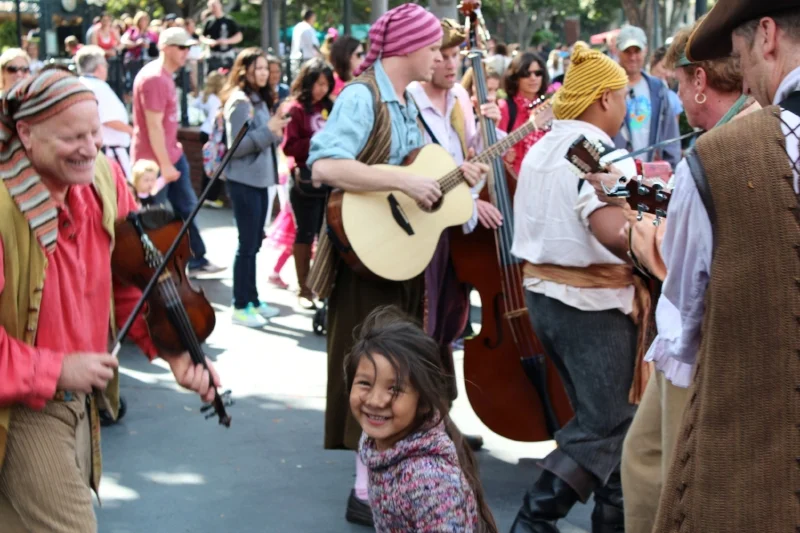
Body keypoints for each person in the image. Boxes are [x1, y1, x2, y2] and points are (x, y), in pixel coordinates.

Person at [0, 69, 220, 533]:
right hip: (21, 410)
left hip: (78, 399)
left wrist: (172, 351)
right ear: (25, 132)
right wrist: (57, 369)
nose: (90, 147)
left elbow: (129, 278)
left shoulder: (101, 176)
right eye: (72, 137)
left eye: (95, 133)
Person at [305, 3, 487, 526]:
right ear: (407, 47)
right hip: (366, 257)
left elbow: (418, 178)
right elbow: (324, 165)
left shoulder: (405, 100)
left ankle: (384, 476)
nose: (439, 55)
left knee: (396, 369)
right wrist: (403, 181)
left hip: (398, 258)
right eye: (433, 46)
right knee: (374, 368)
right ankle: (366, 487)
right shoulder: (362, 95)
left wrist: (453, 178)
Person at [581, 18, 760, 533]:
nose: (675, 97)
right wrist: (632, 193)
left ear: (699, 80)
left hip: (702, 342)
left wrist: (630, 219)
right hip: (701, 339)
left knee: (659, 472)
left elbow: (675, 258)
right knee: (645, 458)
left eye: (677, 83)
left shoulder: (722, 148)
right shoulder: (737, 133)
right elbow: (690, 209)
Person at [630, 2, 800, 531]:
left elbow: (683, 322)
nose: (746, 77)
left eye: (741, 54)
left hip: (758, 458)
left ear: (767, 36)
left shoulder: (723, 158)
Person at [508, 43, 642, 533]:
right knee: (604, 425)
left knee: (618, 428)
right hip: (590, 306)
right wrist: (654, 232)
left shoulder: (545, 145)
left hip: (546, 301)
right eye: (624, 96)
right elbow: (612, 230)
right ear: (604, 98)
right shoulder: (592, 149)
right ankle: (531, 523)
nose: (626, 107)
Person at [406, 18, 504, 451]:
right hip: (419, 227)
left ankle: (440, 419)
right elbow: (412, 167)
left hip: (454, 229)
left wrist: (488, 127)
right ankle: (417, 423)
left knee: (449, 325)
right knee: (422, 326)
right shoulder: (410, 99)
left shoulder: (463, 97)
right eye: (442, 55)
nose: (449, 64)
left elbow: (474, 160)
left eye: (454, 56)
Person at [345, 306, 498, 532]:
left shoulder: (430, 481)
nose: (376, 401)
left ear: (424, 401)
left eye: (394, 389)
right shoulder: (377, 443)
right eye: (365, 383)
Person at [131, 27, 224, 276]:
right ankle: (155, 270)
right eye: (182, 47)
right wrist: (165, 164)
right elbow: (152, 126)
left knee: (186, 208)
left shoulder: (162, 76)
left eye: (188, 47)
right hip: (156, 162)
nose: (186, 52)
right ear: (166, 48)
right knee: (157, 217)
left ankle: (196, 259)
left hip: (170, 155)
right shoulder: (154, 78)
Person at [221, 47, 288, 327]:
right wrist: (269, 130)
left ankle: (252, 299)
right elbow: (235, 147)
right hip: (244, 181)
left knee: (254, 244)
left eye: (265, 68)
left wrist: (275, 129)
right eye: (257, 68)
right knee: (246, 245)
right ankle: (240, 305)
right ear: (244, 70)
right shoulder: (239, 102)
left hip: (260, 180)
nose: (264, 73)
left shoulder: (259, 99)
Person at [282, 58, 335, 309]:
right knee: (305, 233)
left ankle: (323, 285)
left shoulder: (331, 108)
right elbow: (289, 145)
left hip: (330, 179)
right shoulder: (296, 110)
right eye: (318, 83)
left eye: (326, 84)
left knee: (328, 234)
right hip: (305, 181)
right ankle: (304, 288)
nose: (322, 89)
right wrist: (317, 140)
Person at [612, 25, 682, 167]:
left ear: (645, 50)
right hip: (618, 172)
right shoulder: (609, 89)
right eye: (627, 51)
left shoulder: (657, 88)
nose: (633, 57)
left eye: (637, 51)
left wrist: (671, 166)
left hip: (651, 174)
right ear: (617, 52)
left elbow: (670, 132)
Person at [76, 45, 134, 181]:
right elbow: (110, 119)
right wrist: (134, 132)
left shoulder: (79, 84)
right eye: (105, 65)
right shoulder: (98, 87)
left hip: (96, 152)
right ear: (99, 67)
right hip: (110, 154)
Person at [498, 51, 550, 174]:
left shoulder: (548, 107)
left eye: (538, 73)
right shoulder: (505, 107)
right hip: (516, 181)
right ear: (515, 78)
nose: (533, 78)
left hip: (545, 178)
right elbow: (496, 149)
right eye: (526, 74)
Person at [192, 70, 225, 207]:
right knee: (215, 165)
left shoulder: (203, 96)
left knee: (207, 165)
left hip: (203, 131)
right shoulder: (216, 100)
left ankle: (205, 196)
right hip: (213, 134)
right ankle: (211, 197)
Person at [201, 0, 243, 69]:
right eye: (211, 7)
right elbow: (202, 37)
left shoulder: (229, 20)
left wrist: (227, 41)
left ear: (220, 5)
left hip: (227, 54)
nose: (214, 8)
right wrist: (210, 41)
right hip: (213, 55)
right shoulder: (209, 22)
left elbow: (239, 36)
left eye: (215, 6)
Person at [290, 9, 320, 75]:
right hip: (306, 60)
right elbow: (314, 45)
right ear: (311, 17)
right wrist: (321, 55)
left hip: (295, 59)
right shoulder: (308, 28)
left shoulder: (297, 26)